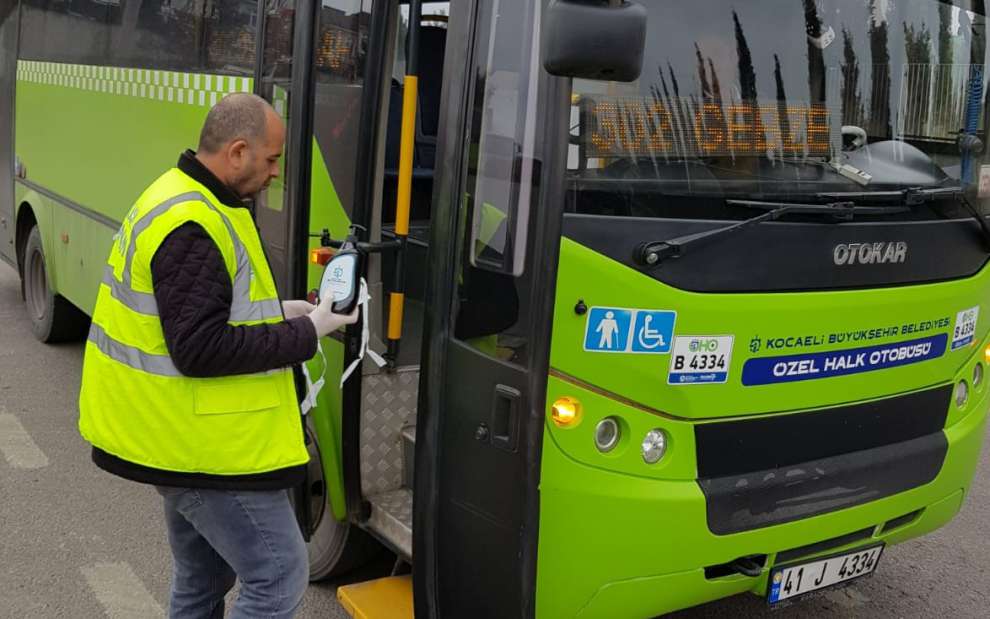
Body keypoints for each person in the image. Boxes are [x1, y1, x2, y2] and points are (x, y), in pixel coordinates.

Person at [77, 93, 357, 619]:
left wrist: (284, 310)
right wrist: (306, 331)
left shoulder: (186, 197)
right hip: (199, 449)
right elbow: (201, 348)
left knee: (204, 576)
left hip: (176, 437)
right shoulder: (192, 223)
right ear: (237, 151)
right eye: (271, 160)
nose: (276, 173)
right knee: (278, 576)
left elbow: (209, 309)